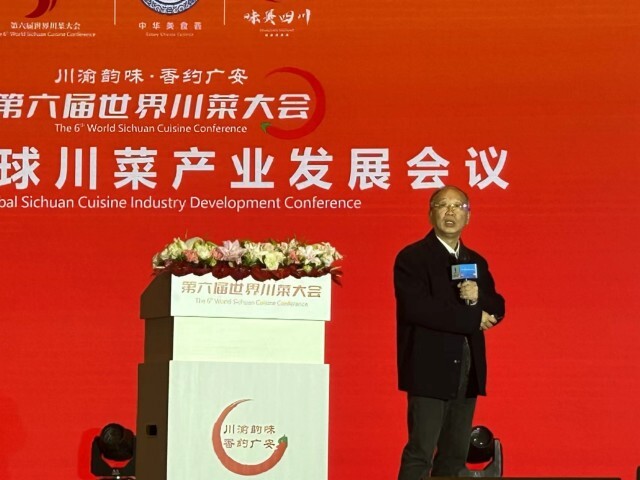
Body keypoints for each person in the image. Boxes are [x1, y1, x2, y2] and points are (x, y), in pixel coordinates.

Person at [395, 185, 505, 479]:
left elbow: (497, 306)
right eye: (442, 205)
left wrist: (479, 297)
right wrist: (473, 318)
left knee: (454, 456)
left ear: (468, 216)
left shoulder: (475, 261)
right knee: (420, 452)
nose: (451, 211)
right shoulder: (413, 258)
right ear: (431, 214)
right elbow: (418, 309)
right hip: (428, 369)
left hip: (467, 371)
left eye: (458, 206)